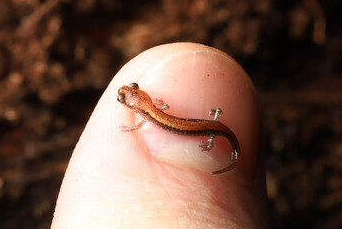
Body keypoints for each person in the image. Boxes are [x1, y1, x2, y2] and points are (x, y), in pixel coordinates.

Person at [51, 43, 270, 228]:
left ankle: (217, 137)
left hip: (204, 128)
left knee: (212, 129)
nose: (127, 91)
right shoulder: (148, 109)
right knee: (212, 127)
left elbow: (144, 122)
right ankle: (216, 129)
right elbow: (162, 106)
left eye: (131, 90)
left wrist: (133, 128)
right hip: (205, 125)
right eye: (125, 96)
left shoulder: (145, 114)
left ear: (137, 106)